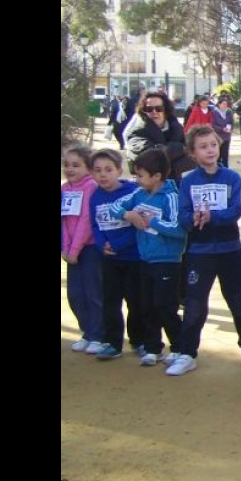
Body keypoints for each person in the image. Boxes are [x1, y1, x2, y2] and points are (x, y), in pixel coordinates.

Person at [178, 126, 241, 373]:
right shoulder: (188, 180)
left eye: (213, 144)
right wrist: (194, 218)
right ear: (193, 152)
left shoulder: (232, 178)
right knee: (194, 305)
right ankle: (187, 353)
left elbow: (236, 210)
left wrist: (212, 216)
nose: (210, 150)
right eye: (203, 147)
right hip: (198, 253)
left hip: (229, 250)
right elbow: (182, 215)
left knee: (238, 300)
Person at [106, 149, 188, 369]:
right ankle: (153, 348)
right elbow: (115, 207)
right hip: (145, 259)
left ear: (157, 176)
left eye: (141, 175)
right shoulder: (138, 194)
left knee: (165, 306)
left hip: (167, 261)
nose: (137, 180)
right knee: (146, 305)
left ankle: (180, 347)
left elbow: (180, 229)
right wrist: (129, 215)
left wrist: (153, 222)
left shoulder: (171, 196)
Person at [89, 149, 146, 360]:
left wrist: (118, 244)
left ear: (119, 170)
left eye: (108, 170)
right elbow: (94, 224)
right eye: (97, 171)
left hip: (133, 257)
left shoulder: (133, 192)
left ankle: (139, 340)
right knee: (110, 301)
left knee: (135, 301)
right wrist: (101, 244)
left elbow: (137, 225)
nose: (103, 175)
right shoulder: (95, 196)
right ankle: (112, 342)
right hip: (109, 258)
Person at [62, 144, 103, 354]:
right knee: (75, 295)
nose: (70, 169)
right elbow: (64, 221)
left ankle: (98, 334)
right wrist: (66, 248)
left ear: (87, 168)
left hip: (89, 249)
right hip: (71, 253)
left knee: (93, 293)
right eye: (66, 165)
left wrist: (75, 249)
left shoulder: (91, 187)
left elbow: (86, 222)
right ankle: (87, 332)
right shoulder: (63, 189)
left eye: (76, 165)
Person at [124, 90, 193, 181]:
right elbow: (151, 157)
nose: (154, 112)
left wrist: (168, 169)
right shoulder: (136, 132)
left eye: (159, 109)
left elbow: (192, 157)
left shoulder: (177, 129)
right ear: (143, 111)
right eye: (149, 109)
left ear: (166, 110)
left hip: (175, 185)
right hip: (147, 188)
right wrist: (179, 148)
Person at [212, 97, 234, 168]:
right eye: (223, 104)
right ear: (219, 104)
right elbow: (213, 125)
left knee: (225, 155)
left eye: (226, 104)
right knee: (218, 154)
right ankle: (216, 169)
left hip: (227, 137)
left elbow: (231, 122)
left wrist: (230, 128)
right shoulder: (214, 113)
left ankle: (225, 169)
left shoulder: (229, 112)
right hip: (218, 137)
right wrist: (222, 129)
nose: (225, 105)